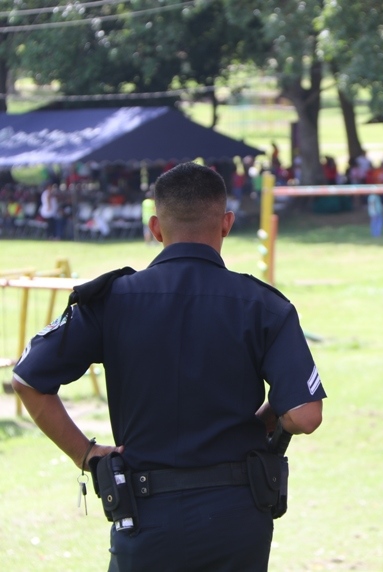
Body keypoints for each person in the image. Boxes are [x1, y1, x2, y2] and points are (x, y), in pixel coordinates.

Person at [12, 162, 325, 571]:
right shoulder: (264, 305)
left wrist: (85, 454)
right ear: (226, 224)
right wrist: (264, 418)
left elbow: (27, 379)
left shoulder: (111, 300)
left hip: (144, 515)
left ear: (156, 228)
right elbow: (304, 415)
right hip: (236, 515)